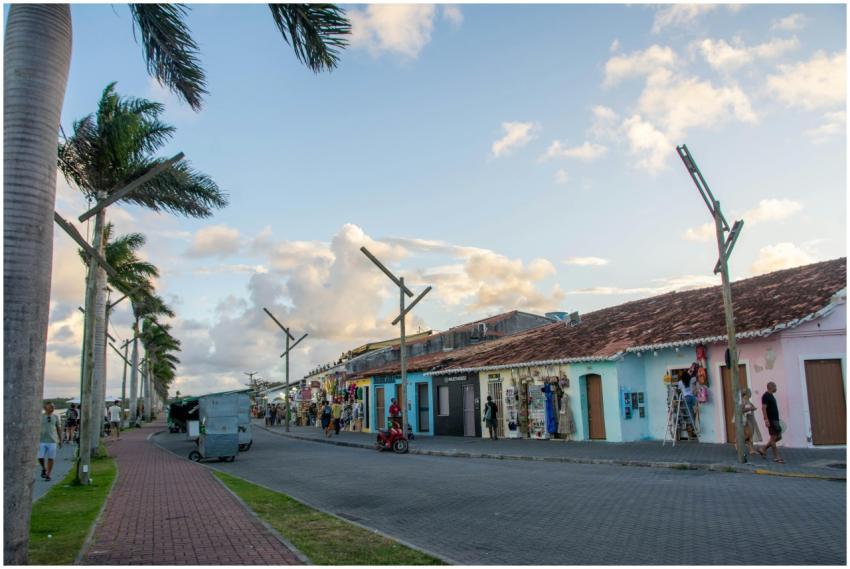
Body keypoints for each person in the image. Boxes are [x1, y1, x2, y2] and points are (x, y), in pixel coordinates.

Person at [758, 382, 784, 463]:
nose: (776, 388)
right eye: (775, 386)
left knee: (779, 437)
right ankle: (776, 457)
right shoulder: (765, 396)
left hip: (775, 420)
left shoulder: (771, 395)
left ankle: (763, 449)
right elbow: (763, 408)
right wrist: (766, 420)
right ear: (771, 387)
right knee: (773, 438)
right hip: (771, 420)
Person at [38, 402, 63, 481]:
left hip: (52, 441)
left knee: (51, 458)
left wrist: (60, 440)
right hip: (41, 440)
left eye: (53, 407)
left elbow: (58, 428)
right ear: (45, 408)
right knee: (40, 457)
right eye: (51, 407)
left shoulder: (55, 417)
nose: (52, 408)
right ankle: (44, 468)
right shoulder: (40, 416)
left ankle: (48, 474)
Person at [739, 388, 762, 456]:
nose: (751, 394)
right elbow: (741, 410)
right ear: (746, 394)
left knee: (750, 434)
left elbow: (752, 407)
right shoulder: (743, 401)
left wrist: (753, 408)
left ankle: (751, 449)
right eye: (749, 393)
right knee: (748, 434)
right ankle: (738, 443)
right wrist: (751, 408)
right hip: (746, 420)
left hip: (750, 419)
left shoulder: (748, 401)